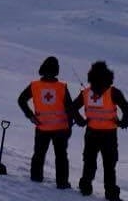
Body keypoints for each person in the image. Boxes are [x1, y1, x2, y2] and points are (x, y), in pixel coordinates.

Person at [17, 56, 84, 189]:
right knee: (61, 157)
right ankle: (62, 183)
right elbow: (70, 108)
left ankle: (36, 178)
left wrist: (30, 116)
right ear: (57, 71)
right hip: (60, 128)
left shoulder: (34, 86)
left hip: (42, 127)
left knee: (39, 154)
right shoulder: (61, 87)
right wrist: (79, 120)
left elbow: (21, 100)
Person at [75, 61, 128, 201]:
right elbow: (127, 108)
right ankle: (111, 194)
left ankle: (85, 188)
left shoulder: (86, 93)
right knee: (109, 165)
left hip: (91, 133)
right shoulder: (113, 92)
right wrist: (123, 122)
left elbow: (72, 108)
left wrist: (81, 121)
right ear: (109, 77)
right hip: (109, 135)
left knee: (89, 162)